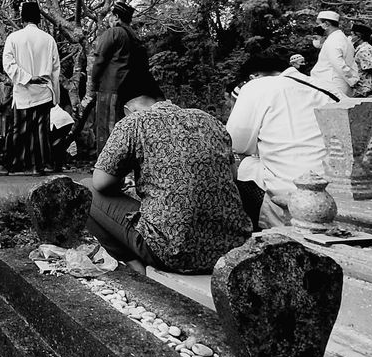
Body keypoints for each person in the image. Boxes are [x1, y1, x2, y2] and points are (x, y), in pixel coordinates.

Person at [89, 94, 251, 276]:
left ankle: (134, 265)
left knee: (87, 191)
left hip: (172, 253)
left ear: (128, 110)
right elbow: (232, 175)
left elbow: (101, 182)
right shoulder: (208, 119)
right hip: (230, 250)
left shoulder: (134, 122)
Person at [226, 53, 338, 228]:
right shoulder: (327, 87)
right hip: (334, 189)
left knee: (238, 162)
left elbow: (234, 143)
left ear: (253, 77)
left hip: (292, 192)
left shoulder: (257, 86)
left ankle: (249, 229)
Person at [81, 1, 162, 153]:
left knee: (107, 128)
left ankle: (106, 167)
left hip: (110, 88)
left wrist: (94, 82)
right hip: (130, 91)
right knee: (124, 127)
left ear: (116, 17)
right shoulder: (135, 37)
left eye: (111, 16)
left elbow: (99, 60)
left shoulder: (114, 33)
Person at [0, 2, 60, 175]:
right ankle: (39, 165)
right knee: (41, 130)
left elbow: (8, 64)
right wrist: (55, 96)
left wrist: (27, 78)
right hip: (44, 91)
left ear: (21, 18)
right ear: (39, 19)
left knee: (18, 129)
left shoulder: (14, 38)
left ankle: (10, 164)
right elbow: (56, 69)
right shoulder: (48, 39)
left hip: (24, 91)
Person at [309, 10, 359, 97]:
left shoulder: (334, 40)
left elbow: (338, 63)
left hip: (332, 85)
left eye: (319, 23)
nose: (317, 27)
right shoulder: (341, 38)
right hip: (336, 85)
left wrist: (353, 81)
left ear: (327, 24)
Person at [349, 24, 372, 97]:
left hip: (365, 90)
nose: (351, 38)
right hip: (365, 89)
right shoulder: (364, 48)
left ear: (359, 37)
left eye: (352, 35)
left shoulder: (363, 51)